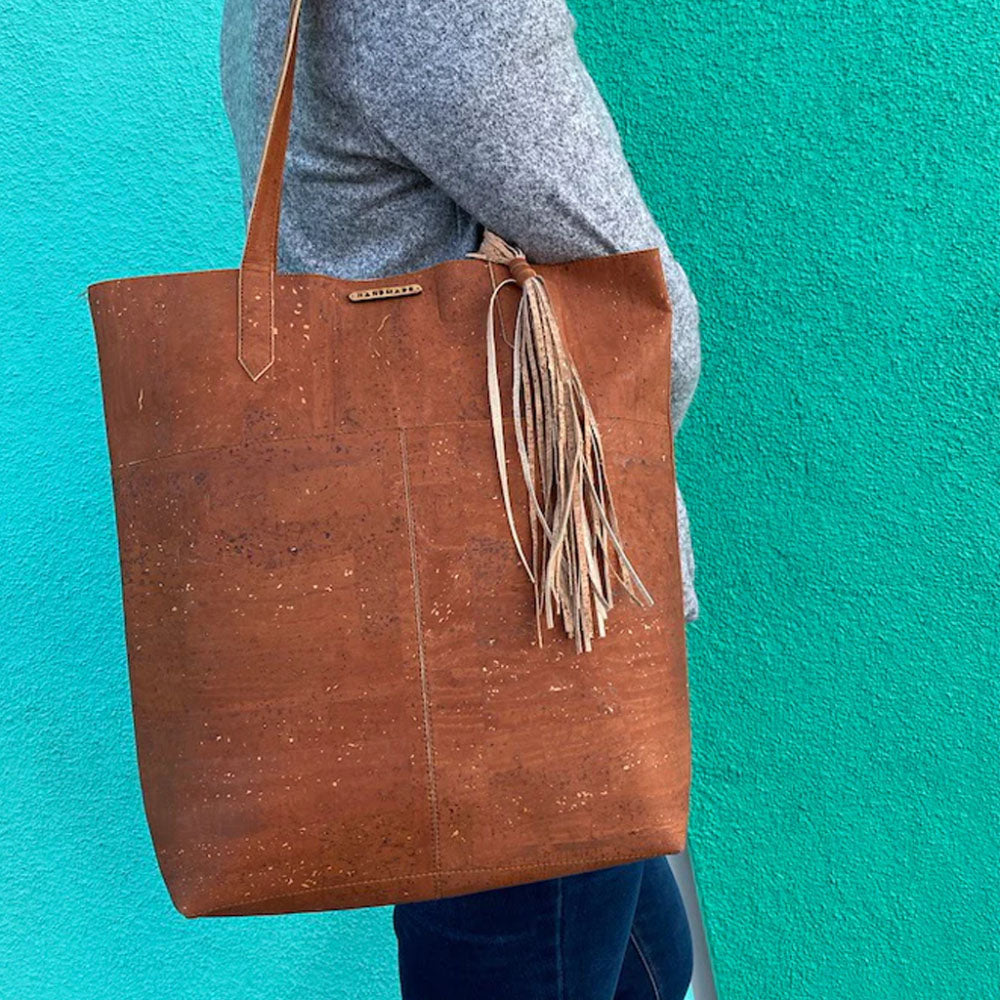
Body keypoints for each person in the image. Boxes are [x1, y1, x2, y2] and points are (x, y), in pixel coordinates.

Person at [220, 1, 701, 996]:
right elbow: (649, 313)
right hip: (516, 621)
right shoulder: (443, 10)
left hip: (412, 605)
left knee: (644, 957)